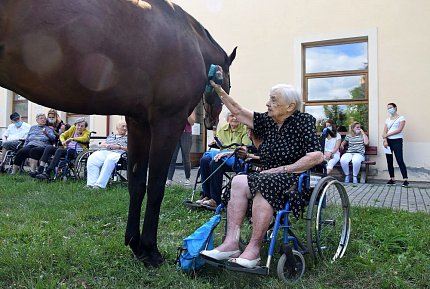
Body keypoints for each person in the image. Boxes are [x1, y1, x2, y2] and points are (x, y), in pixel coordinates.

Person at [200, 78, 323, 269]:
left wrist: (283, 169)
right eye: (269, 99)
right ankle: (231, 243)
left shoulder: (303, 121)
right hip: (266, 174)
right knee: (239, 181)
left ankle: (254, 249)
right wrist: (218, 90)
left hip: (293, 177)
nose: (268, 104)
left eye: (274, 100)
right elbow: (238, 111)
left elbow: (316, 156)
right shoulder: (268, 122)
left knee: (264, 182)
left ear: (290, 106)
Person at [196, 109, 251, 209]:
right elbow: (220, 146)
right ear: (227, 118)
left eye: (236, 115)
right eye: (231, 115)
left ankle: (215, 199)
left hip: (238, 160)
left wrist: (225, 153)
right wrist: (216, 143)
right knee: (204, 160)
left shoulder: (244, 129)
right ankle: (206, 195)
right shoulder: (222, 129)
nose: (234, 118)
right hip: (224, 158)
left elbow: (244, 149)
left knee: (215, 162)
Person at [86, 121, 128, 189]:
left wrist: (118, 147)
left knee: (109, 160)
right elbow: (102, 144)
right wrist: (105, 145)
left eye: (126, 126)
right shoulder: (110, 136)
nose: (125, 128)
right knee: (92, 158)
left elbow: (130, 149)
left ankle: (99, 185)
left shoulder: (128, 138)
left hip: (118, 153)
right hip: (105, 151)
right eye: (123, 126)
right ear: (117, 128)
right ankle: (91, 184)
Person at [165, 111, 196, 187]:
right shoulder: (176, 106)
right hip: (174, 134)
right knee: (172, 157)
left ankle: (187, 178)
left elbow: (192, 122)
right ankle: (169, 179)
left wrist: (186, 111)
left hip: (186, 134)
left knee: (186, 157)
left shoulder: (190, 108)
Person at [382, 103, 409, 187]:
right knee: (389, 161)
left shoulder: (401, 118)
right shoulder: (387, 119)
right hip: (388, 142)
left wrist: (387, 135)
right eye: (388, 108)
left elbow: (399, 130)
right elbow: (384, 132)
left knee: (400, 160)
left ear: (395, 108)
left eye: (390, 107)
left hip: (397, 141)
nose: (389, 109)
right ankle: (392, 179)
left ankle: (405, 180)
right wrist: (385, 140)